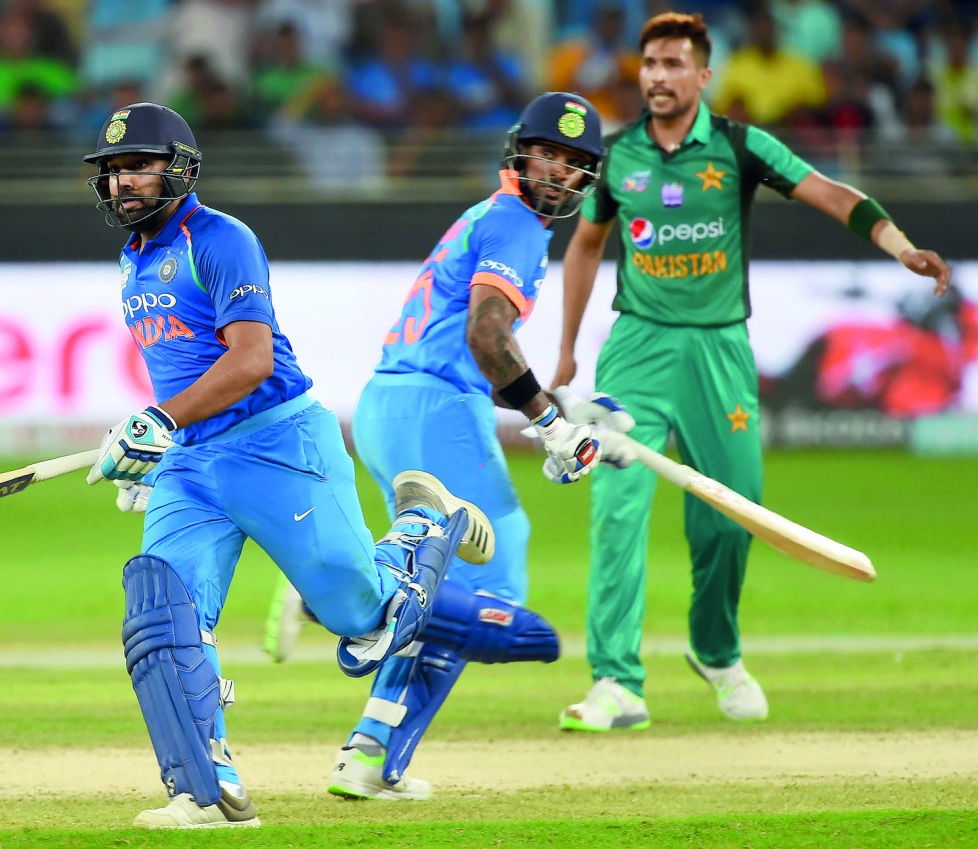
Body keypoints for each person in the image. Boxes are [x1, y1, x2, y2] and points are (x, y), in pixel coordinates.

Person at [80, 101, 496, 829]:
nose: (123, 183)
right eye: (113, 171)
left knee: (367, 624)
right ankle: (205, 787)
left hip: (279, 443)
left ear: (178, 169)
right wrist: (158, 451)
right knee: (162, 612)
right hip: (193, 464)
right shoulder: (133, 258)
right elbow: (179, 367)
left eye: (138, 166)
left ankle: (426, 527)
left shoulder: (221, 239)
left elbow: (252, 358)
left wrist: (160, 419)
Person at [554, 11, 952, 732]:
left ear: (704, 77)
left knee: (732, 517)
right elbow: (586, 244)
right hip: (638, 348)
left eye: (675, 65)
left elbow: (831, 193)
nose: (659, 77)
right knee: (618, 507)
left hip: (719, 348)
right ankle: (616, 679)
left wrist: (901, 246)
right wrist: (566, 351)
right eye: (650, 65)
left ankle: (715, 649)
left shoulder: (740, 147)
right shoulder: (617, 158)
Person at [268, 91, 633, 800]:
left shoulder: (492, 217)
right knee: (494, 581)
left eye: (574, 162)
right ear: (519, 153)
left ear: (588, 177)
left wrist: (560, 412)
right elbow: (486, 339)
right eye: (547, 155)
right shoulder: (517, 227)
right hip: (432, 408)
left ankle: (368, 727)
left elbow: (488, 358)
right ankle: (342, 619)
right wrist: (552, 429)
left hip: (392, 407)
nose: (557, 172)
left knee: (443, 578)